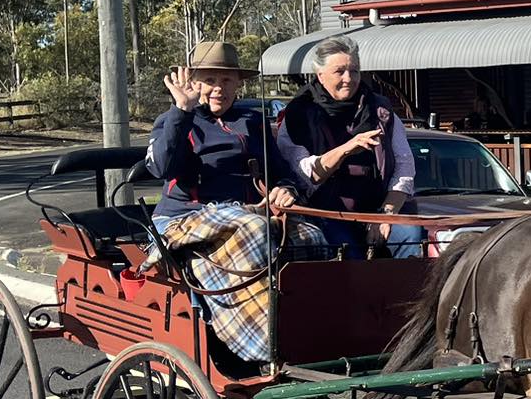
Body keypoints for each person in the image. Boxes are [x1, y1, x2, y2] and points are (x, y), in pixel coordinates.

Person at [147, 39, 326, 367]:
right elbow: (161, 166)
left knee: (313, 235)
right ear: (194, 82)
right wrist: (181, 111)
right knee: (254, 229)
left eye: (227, 80)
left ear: (238, 84)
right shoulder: (173, 120)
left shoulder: (251, 122)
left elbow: (280, 172)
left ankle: (306, 333)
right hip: (185, 219)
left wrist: (284, 189)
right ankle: (260, 344)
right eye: (210, 80)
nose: (219, 88)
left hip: (245, 215)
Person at [276, 34, 420, 256]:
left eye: (354, 71)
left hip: (379, 209)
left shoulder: (381, 111)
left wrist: (385, 214)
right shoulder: (297, 115)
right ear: (320, 75)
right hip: (328, 214)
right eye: (339, 71)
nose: (349, 78)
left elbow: (404, 166)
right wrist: (346, 149)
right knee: (346, 250)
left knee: (410, 236)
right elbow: (302, 173)